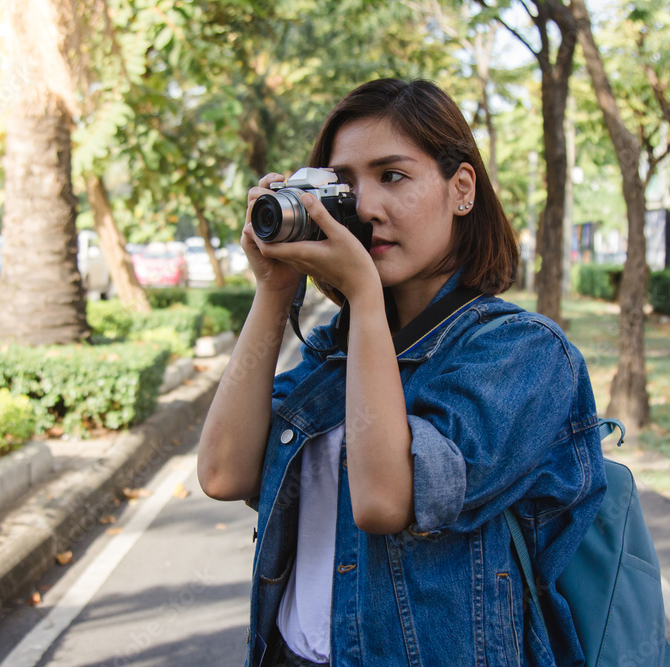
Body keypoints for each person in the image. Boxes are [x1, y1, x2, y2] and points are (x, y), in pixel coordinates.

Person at [197, 78, 606, 667]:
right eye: (345, 184)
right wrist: (273, 290)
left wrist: (362, 294)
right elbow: (222, 472)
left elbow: (385, 501)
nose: (364, 207)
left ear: (461, 189)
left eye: (393, 176)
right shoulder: (337, 349)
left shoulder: (523, 353)